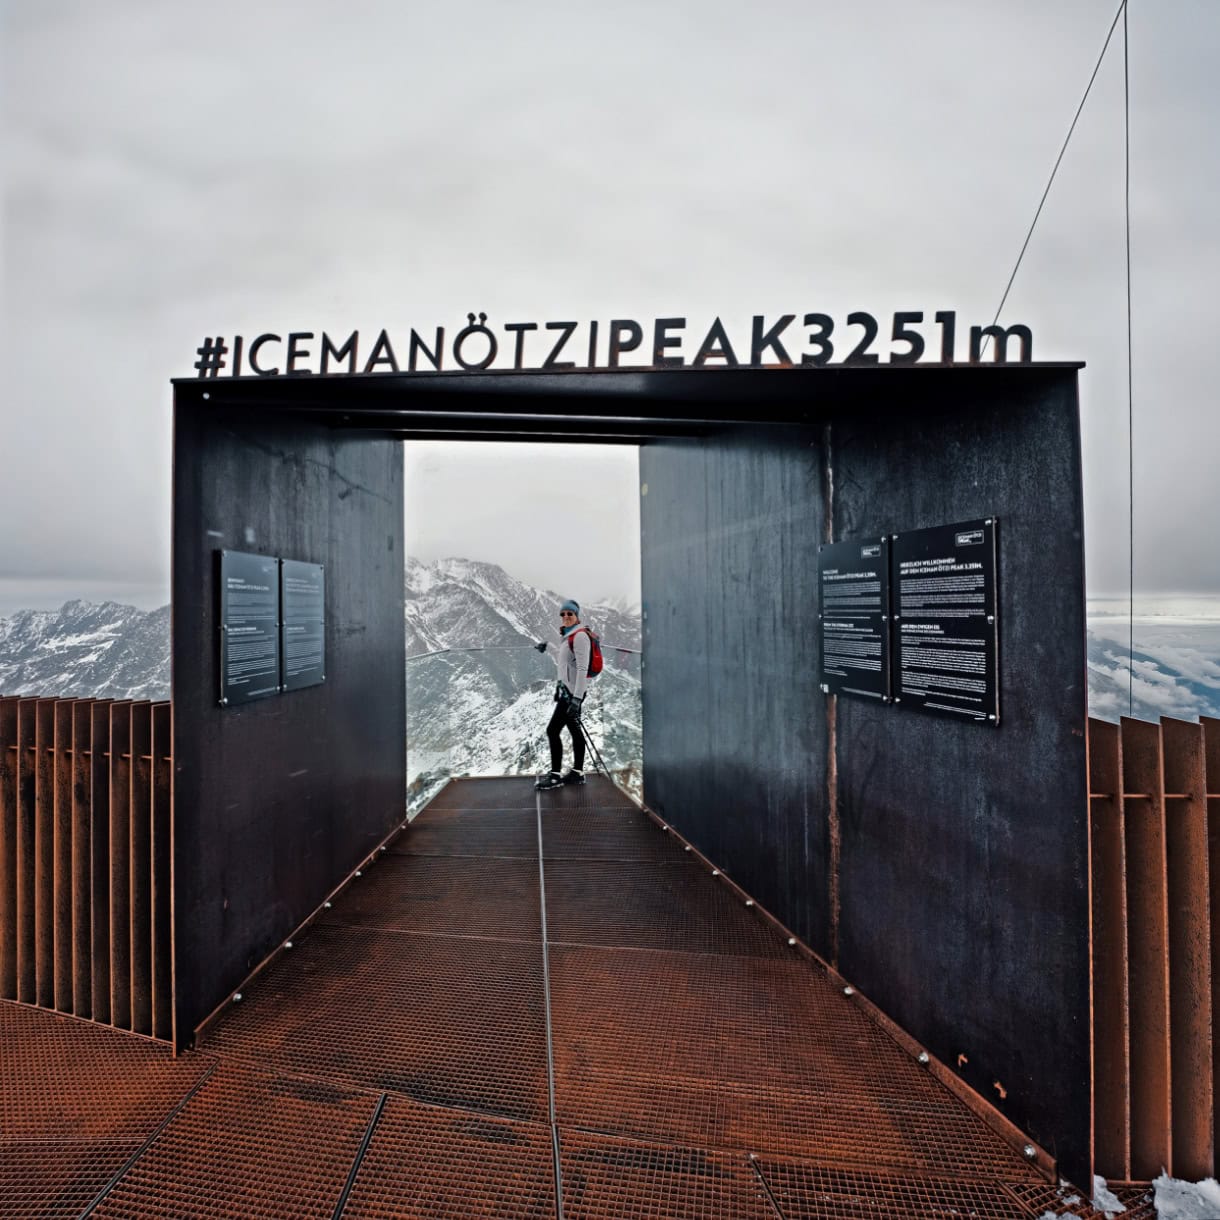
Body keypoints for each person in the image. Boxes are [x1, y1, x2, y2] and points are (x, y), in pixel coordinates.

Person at [534, 599, 591, 789]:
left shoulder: (580, 636)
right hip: (568, 692)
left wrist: (577, 698)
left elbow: (582, 668)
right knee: (575, 731)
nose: (566, 616)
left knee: (552, 730)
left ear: (577, 616)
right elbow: (565, 660)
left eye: (570, 613)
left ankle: (555, 776)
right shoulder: (569, 636)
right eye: (563, 614)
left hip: (572, 694)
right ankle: (577, 773)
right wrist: (548, 646)